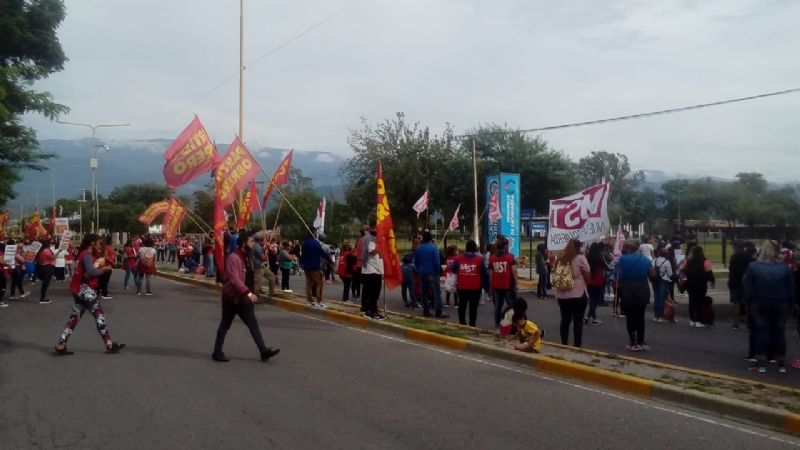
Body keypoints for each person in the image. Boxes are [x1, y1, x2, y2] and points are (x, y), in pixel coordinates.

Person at [212, 230, 280, 363]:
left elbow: (249, 275)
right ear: (244, 243)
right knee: (225, 325)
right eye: (251, 241)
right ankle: (217, 352)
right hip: (231, 298)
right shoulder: (234, 258)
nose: (253, 244)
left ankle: (263, 351)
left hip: (244, 298)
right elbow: (234, 279)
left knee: (253, 324)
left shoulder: (247, 257)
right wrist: (248, 293)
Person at [54, 234, 125, 355]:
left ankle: (61, 343)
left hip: (79, 290)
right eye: (98, 243)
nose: (99, 245)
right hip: (86, 290)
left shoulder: (83, 255)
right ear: (92, 243)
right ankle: (109, 345)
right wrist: (105, 269)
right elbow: (91, 272)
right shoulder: (86, 255)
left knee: (74, 318)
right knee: (99, 316)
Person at [743, 240, 795, 373]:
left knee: (761, 331)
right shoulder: (784, 267)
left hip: (759, 301)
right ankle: (781, 362)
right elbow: (791, 287)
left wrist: (747, 302)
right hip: (781, 302)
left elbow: (747, 287)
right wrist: (791, 303)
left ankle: (761, 362)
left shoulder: (753, 266)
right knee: (779, 331)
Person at [617, 240, 655, 351]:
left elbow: (618, 273)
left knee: (630, 316)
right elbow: (653, 275)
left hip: (627, 288)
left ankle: (633, 342)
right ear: (637, 248)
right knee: (640, 316)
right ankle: (641, 341)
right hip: (642, 288)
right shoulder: (645, 259)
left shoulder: (622, 259)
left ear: (627, 248)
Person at [553, 238, 589, 348]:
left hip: (562, 294)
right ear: (579, 247)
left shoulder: (560, 258)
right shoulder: (581, 258)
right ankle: (577, 345)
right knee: (578, 321)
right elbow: (588, 276)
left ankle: (564, 343)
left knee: (565, 319)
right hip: (578, 293)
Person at [451, 240, 487, 327]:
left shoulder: (459, 258)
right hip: (475, 287)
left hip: (462, 286)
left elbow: (453, 269)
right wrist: (486, 287)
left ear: (466, 248)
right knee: (473, 307)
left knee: (462, 306)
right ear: (475, 248)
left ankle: (462, 323)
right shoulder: (479, 259)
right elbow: (484, 274)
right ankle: (472, 324)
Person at [413, 231, 448, 319]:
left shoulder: (418, 248)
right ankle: (438, 312)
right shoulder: (434, 248)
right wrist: (437, 272)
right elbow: (437, 263)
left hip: (422, 273)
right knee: (436, 292)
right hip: (432, 273)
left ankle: (426, 311)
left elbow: (415, 262)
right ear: (430, 239)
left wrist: (418, 270)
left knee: (424, 293)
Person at [683, 245, 715, 327]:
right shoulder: (705, 261)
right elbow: (709, 272)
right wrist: (712, 281)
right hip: (701, 284)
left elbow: (684, 270)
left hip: (690, 283)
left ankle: (692, 320)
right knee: (699, 301)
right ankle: (698, 320)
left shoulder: (688, 261)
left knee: (691, 301)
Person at [489, 236, 517, 328]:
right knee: (512, 306)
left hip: (496, 286)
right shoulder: (510, 257)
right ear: (505, 246)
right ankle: (513, 324)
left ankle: (497, 324)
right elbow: (514, 271)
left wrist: (491, 286)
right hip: (508, 285)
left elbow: (491, 273)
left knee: (497, 306)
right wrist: (516, 283)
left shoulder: (492, 258)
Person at [360, 219, 385, 320]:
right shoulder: (368, 238)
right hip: (371, 270)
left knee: (372, 293)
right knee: (373, 293)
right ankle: (371, 311)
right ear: (373, 227)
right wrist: (383, 244)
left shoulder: (374, 238)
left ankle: (369, 309)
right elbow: (374, 251)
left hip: (376, 270)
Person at [729, 241, 755, 330]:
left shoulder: (734, 257)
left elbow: (731, 269)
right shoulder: (749, 257)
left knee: (736, 302)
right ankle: (749, 323)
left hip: (735, 282)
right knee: (747, 303)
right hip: (747, 282)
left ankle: (736, 323)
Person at [299, 231, 327, 308]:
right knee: (319, 283)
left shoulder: (304, 243)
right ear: (313, 233)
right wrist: (330, 261)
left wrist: (301, 262)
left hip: (306, 267)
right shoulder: (315, 242)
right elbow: (322, 253)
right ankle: (319, 302)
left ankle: (309, 301)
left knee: (309, 284)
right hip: (314, 266)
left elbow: (303, 254)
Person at [585, 242, 607, 325]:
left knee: (591, 299)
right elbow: (606, 266)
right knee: (596, 299)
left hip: (589, 280)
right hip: (598, 280)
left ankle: (591, 317)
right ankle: (591, 317)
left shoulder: (587, 257)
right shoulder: (600, 257)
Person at [652, 247, 674, 323]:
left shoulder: (654, 260)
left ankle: (656, 316)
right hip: (664, 280)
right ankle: (661, 316)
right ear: (665, 254)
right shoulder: (667, 262)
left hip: (655, 280)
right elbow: (670, 274)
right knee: (662, 299)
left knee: (656, 298)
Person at [37, 239, 55, 304]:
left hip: (43, 266)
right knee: (45, 284)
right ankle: (42, 299)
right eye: (50, 243)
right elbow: (53, 257)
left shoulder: (41, 250)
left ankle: (43, 298)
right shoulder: (46, 250)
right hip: (47, 267)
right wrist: (59, 252)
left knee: (45, 284)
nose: (51, 244)